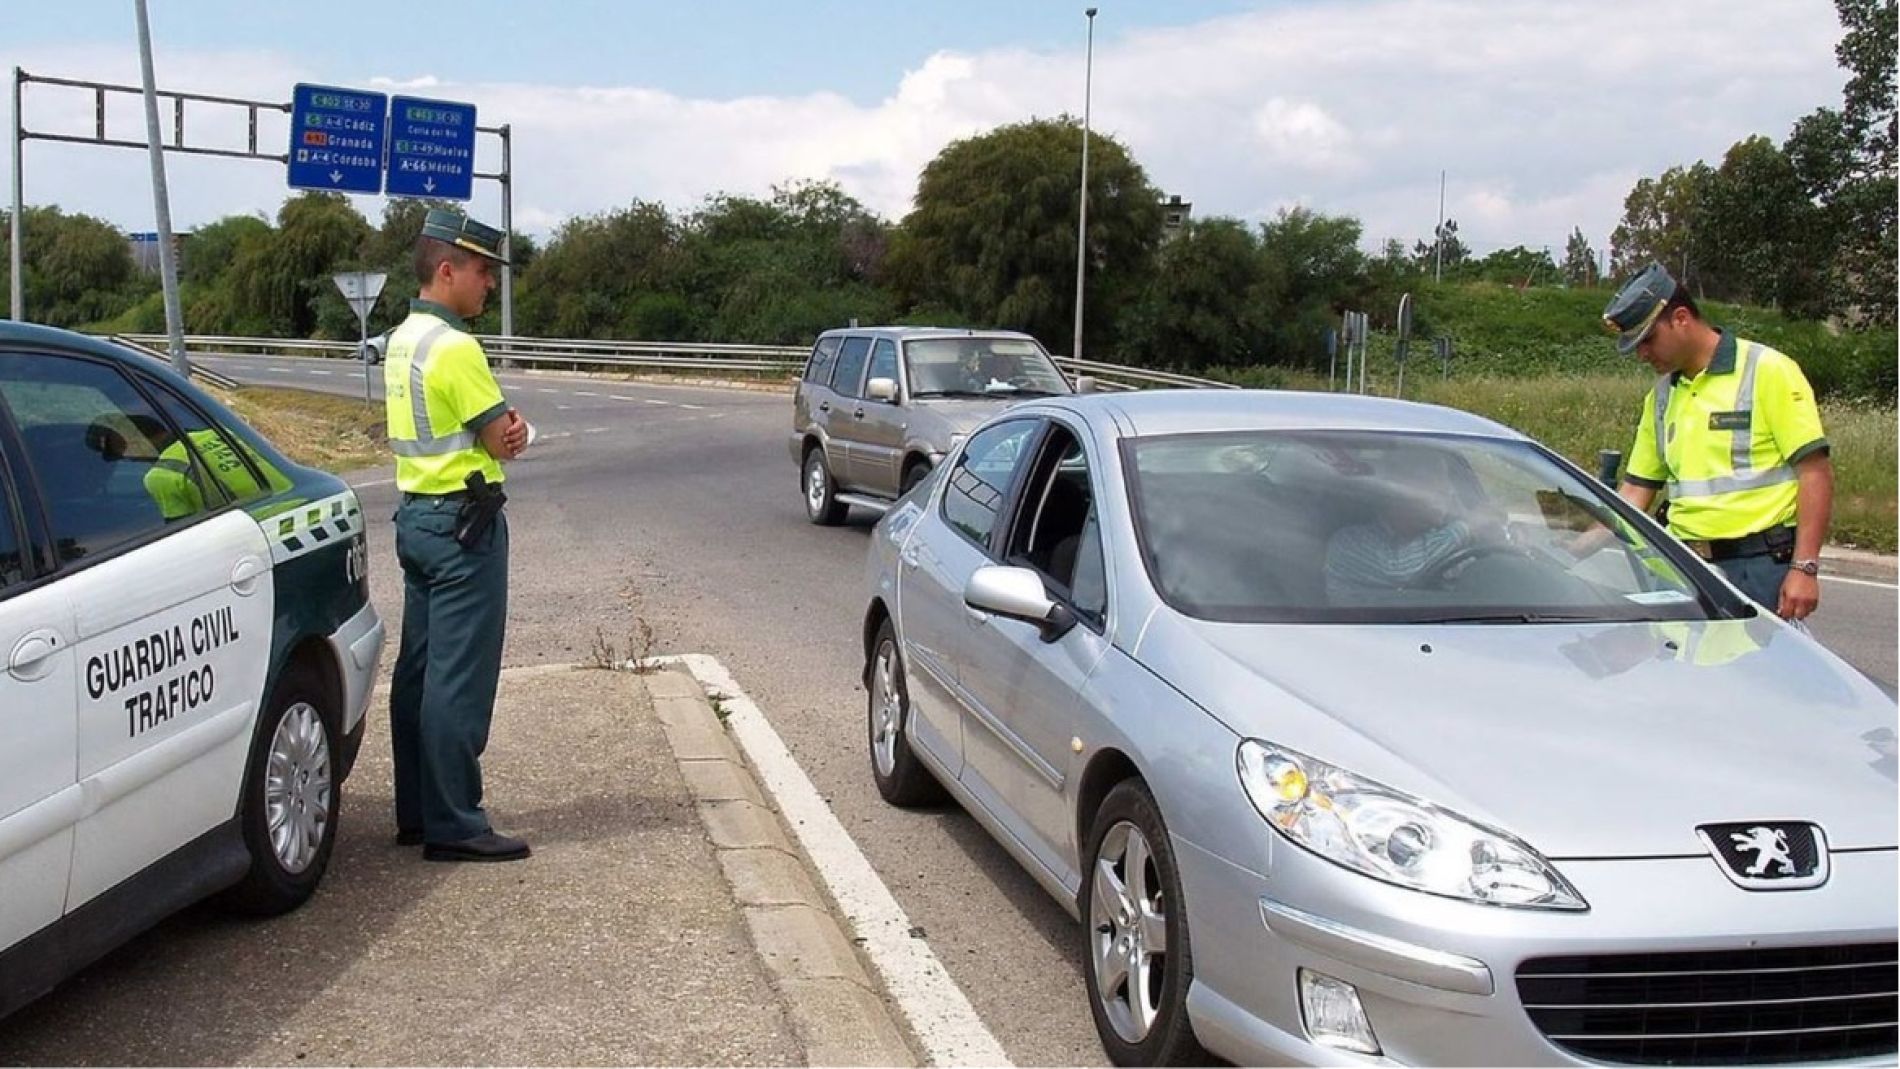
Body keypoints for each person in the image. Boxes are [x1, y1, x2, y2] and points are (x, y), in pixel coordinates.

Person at [385, 209, 531, 863]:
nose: (489, 286)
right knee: (458, 679)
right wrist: (510, 432)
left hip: (416, 514)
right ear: (446, 271)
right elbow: (502, 435)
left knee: (417, 671)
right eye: (480, 271)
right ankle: (455, 822)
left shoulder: (402, 339)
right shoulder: (457, 347)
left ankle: (417, 810)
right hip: (464, 522)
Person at [1603, 263, 1832, 621]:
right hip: (1683, 568)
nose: (1642, 354)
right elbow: (1635, 492)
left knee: (1756, 676)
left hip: (1758, 569)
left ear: (1681, 318)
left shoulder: (1767, 370)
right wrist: (1572, 545)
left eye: (1647, 339)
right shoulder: (1661, 397)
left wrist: (1804, 568)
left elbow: (1814, 472)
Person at [1324, 449, 1492, 605]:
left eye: (1448, 484)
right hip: (1358, 634)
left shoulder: (1442, 542)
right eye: (1435, 483)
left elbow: (1479, 581)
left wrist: (1500, 542)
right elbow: (1399, 570)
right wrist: (1467, 526)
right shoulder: (1348, 543)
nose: (1449, 492)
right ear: (1401, 492)